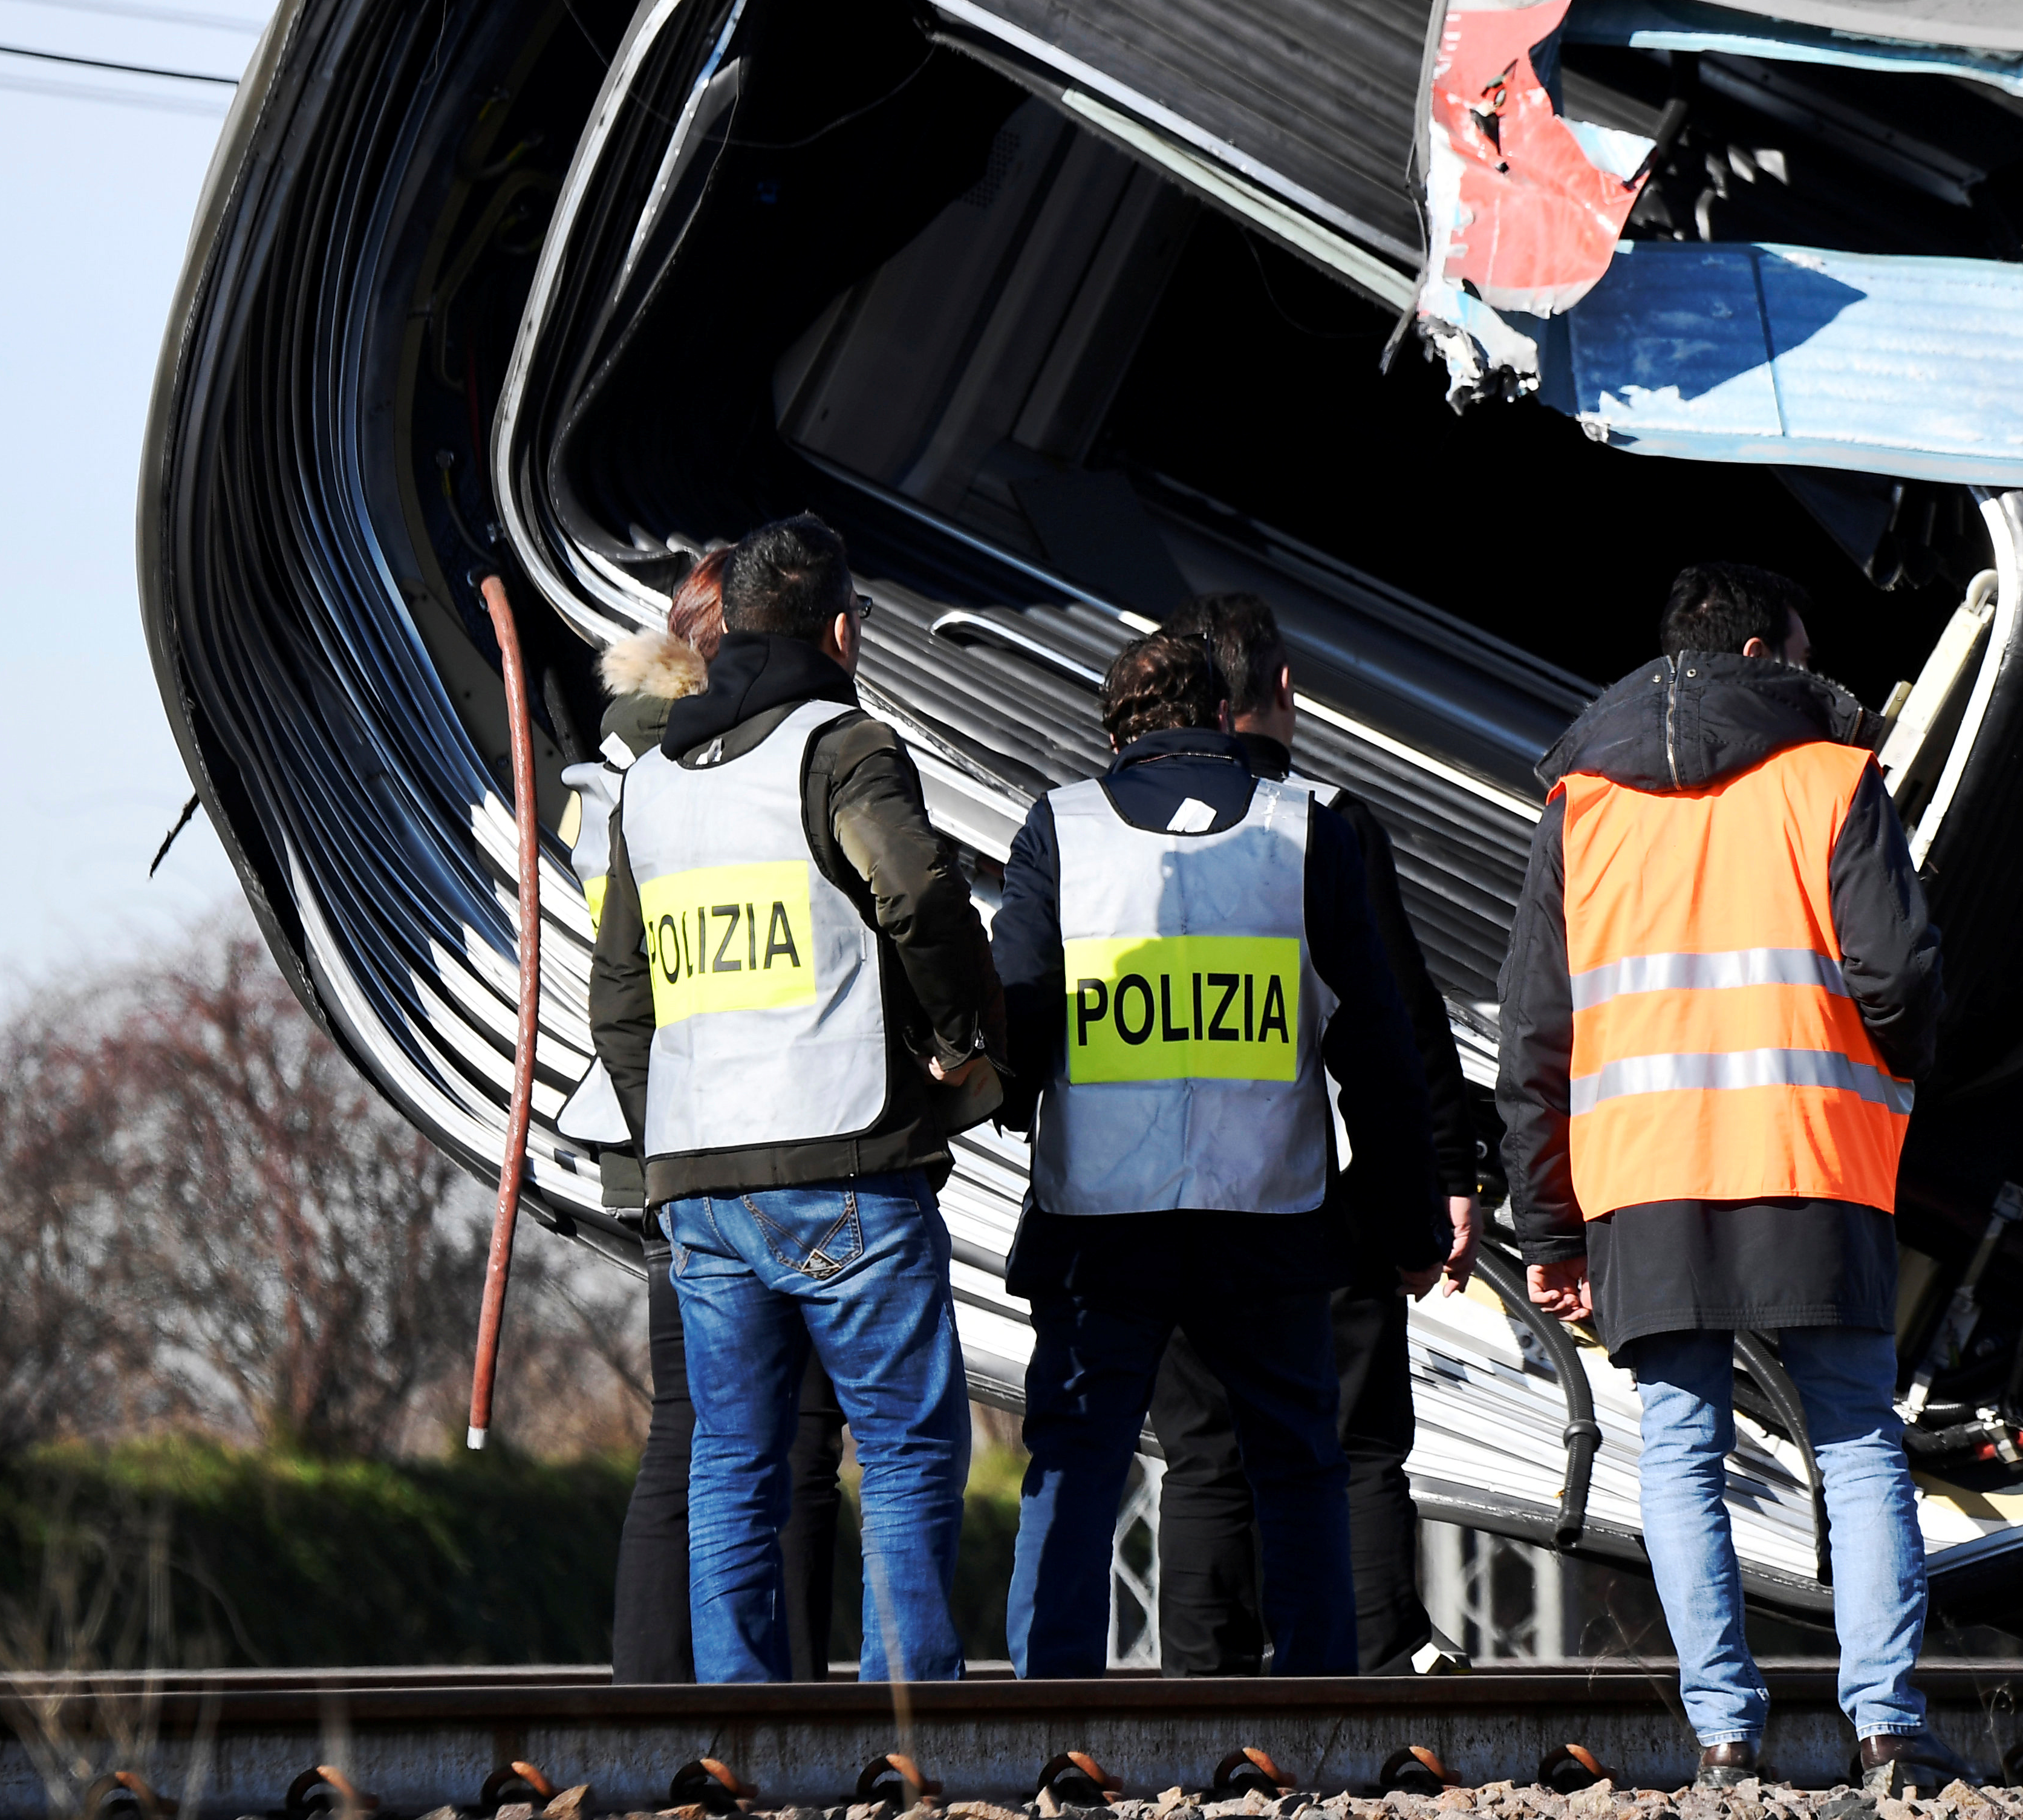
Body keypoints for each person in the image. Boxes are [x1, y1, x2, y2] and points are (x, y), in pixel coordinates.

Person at [1494, 562, 1950, 1791]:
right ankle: (1888, 1723)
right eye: (1800, 658)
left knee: (1681, 1449)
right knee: (1855, 1441)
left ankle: (1725, 1731)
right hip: (1811, 1153)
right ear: (1762, 655)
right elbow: (1900, 975)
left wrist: (1548, 1222)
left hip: (1644, 1174)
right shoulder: (1832, 778)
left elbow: (1536, 1025)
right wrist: (1901, 1058)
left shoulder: (1581, 804)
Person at [589, 514, 999, 1683]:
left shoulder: (652, 785)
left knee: (731, 1460)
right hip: (844, 1168)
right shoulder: (843, 748)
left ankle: (740, 1731)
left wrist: (672, 1116)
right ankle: (904, 1726)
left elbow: (618, 996)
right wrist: (962, 1038)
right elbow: (917, 896)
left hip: (700, 1187)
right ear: (840, 630)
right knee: (910, 1446)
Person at [989, 630, 1446, 1677]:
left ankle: (1043, 1711)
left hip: (1100, 1223)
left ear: (1115, 732)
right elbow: (1377, 1045)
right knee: (1297, 1465)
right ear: (1220, 715)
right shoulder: (1307, 831)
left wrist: (1005, 1100)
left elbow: (1015, 1008)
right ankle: (1319, 1706)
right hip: (1269, 1218)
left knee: (1077, 1465)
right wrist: (1410, 1224)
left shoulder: (1063, 830)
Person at [1145, 592, 1481, 1677]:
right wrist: (1437, 1183)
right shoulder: (1324, 822)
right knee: (1355, 1439)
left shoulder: (1104, 821)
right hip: (1310, 1195)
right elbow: (1395, 1026)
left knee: (1203, 1457)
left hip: (1156, 1193)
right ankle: (1374, 1666)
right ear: (1283, 690)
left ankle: (1202, 1692)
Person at [575, 549, 851, 1685]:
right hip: (753, 1124)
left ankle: (655, 1700)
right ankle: (777, 1704)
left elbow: (618, 986)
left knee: (691, 1428)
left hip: (663, 1135)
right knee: (793, 1438)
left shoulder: (620, 769)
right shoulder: (727, 769)